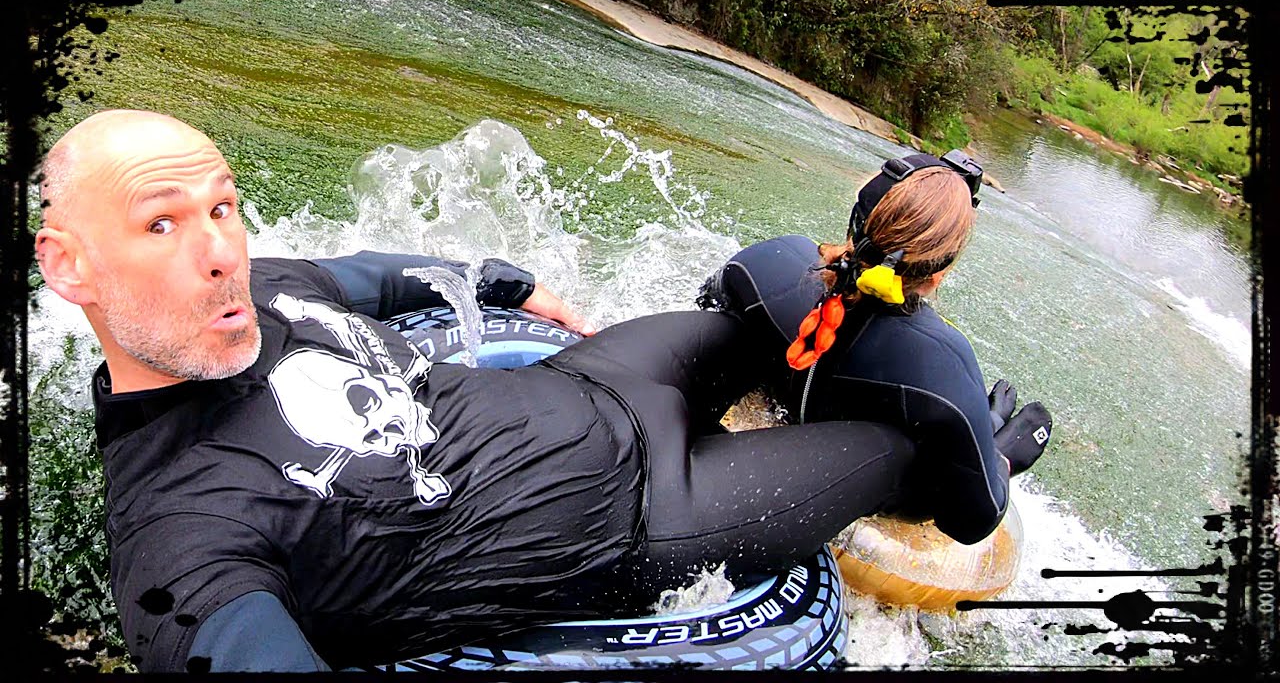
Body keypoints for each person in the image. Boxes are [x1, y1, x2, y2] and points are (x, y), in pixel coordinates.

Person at [36, 110, 921, 672]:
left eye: (222, 206)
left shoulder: (265, 285)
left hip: (597, 378)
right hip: (654, 512)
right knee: (901, 445)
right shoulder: (179, 540)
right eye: (161, 223)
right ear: (68, 266)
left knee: (800, 300)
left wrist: (504, 282)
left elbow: (373, 279)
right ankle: (980, 463)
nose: (220, 250)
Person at [697, 150, 1054, 545]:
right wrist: (1000, 458)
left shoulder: (767, 259)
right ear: (937, 274)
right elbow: (971, 521)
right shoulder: (942, 361)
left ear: (857, 220)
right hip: (855, 482)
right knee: (973, 434)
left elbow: (707, 309)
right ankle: (989, 436)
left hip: (756, 431)